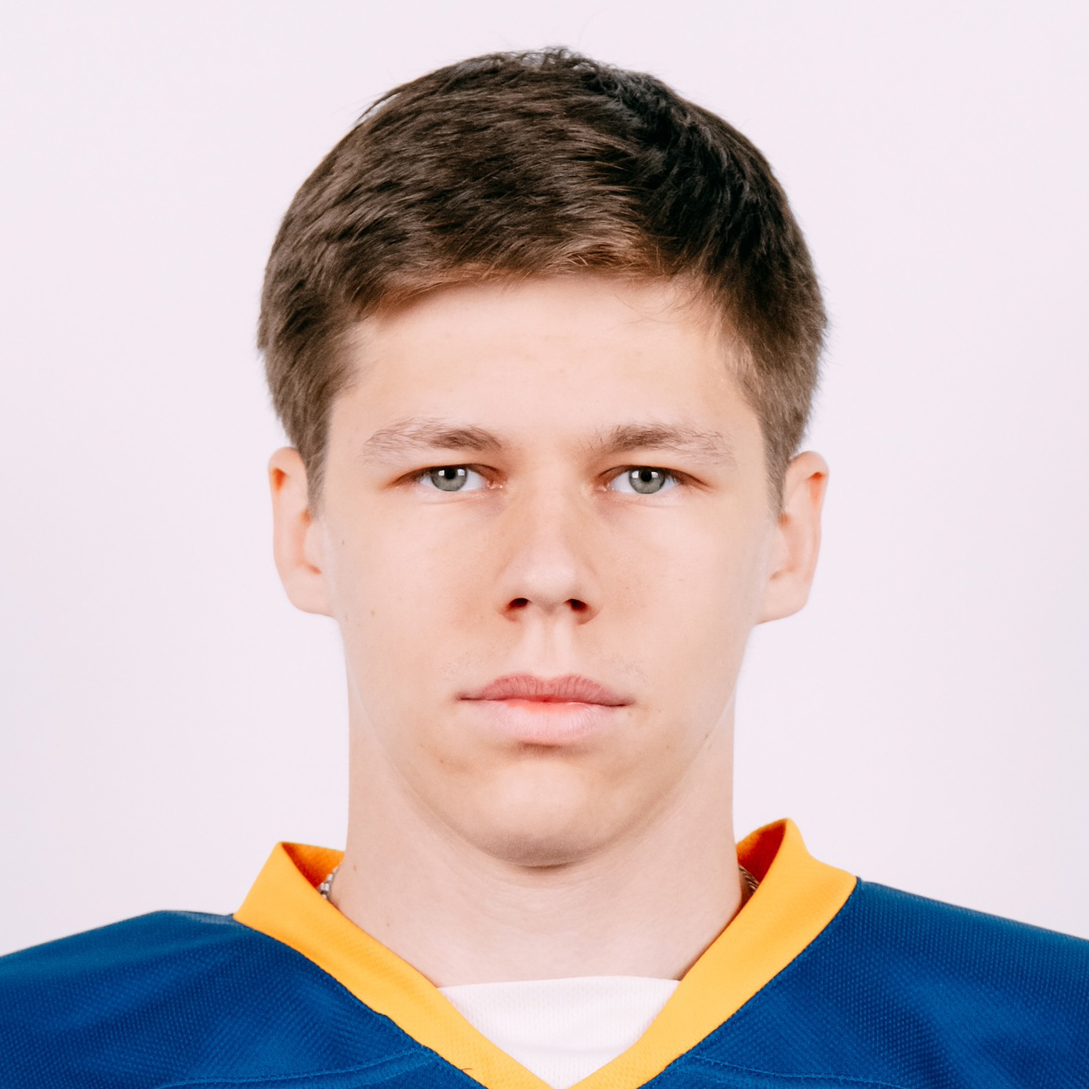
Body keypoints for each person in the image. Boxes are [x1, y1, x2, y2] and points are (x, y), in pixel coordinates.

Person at [1, 48, 1086, 1089]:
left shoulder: (1052, 1041)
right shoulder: (36, 1050)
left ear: (788, 536)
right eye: (450, 474)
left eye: (647, 475)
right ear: (305, 527)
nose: (549, 571)